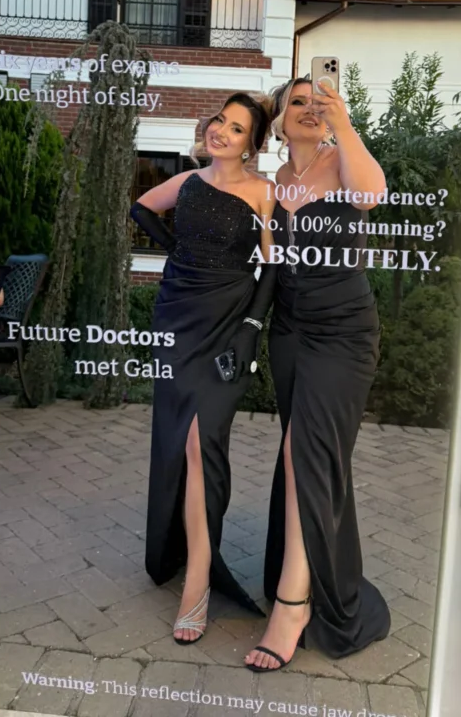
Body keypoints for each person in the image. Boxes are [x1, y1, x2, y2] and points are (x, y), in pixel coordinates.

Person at [244, 76, 391, 672]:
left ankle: (292, 605)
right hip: (289, 332)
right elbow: (269, 265)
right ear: (279, 121)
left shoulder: (343, 161)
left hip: (344, 333)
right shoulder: (274, 181)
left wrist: (344, 121)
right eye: (298, 102)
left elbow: (372, 194)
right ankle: (313, 575)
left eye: (319, 101)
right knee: (306, 456)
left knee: (304, 452)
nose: (310, 109)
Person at [130, 92, 278, 644]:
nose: (222, 131)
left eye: (237, 128)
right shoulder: (189, 182)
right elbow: (141, 207)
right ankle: (191, 564)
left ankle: (198, 578)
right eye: (220, 120)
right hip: (178, 317)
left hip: (228, 322)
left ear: (252, 144)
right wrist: (175, 250)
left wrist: (251, 329)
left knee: (202, 441)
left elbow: (272, 269)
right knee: (181, 442)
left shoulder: (263, 192)